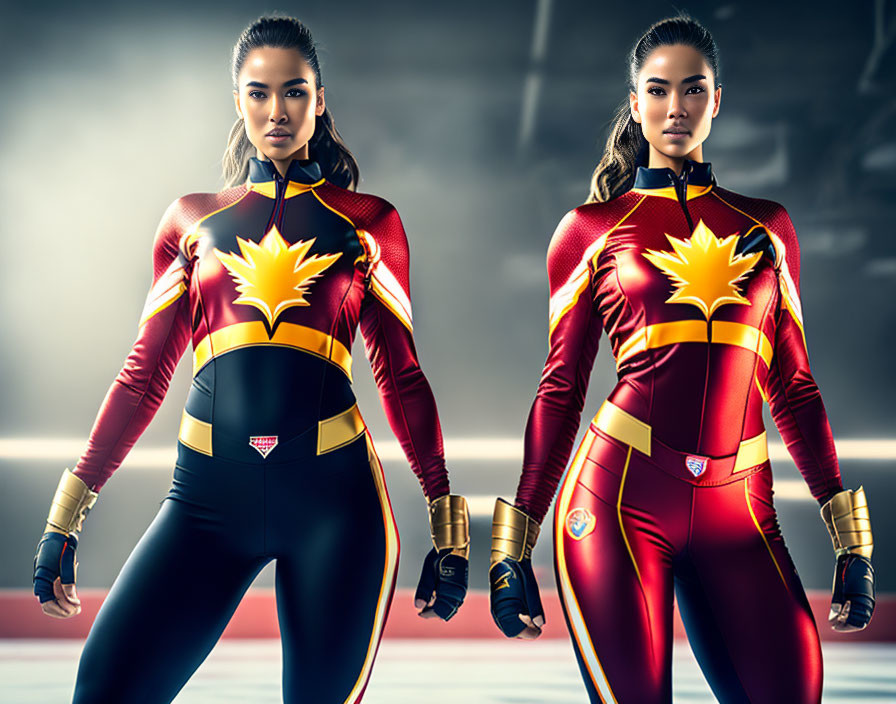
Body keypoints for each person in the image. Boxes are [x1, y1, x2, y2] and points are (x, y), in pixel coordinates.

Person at [32, 16, 470, 704]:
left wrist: (450, 527)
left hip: (335, 505)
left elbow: (402, 376)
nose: (277, 110)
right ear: (238, 100)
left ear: (319, 99)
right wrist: (68, 513)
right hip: (206, 500)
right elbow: (144, 375)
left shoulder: (369, 222)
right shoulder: (192, 222)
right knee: (105, 689)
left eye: (294, 92)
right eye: (259, 93)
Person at [488, 14, 874, 704]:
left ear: (716, 99)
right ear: (635, 103)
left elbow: (793, 387)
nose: (676, 108)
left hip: (742, 510)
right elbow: (561, 389)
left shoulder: (767, 228)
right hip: (618, 501)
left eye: (693, 90)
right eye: (658, 90)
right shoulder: (590, 230)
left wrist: (849, 537)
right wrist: (513, 543)